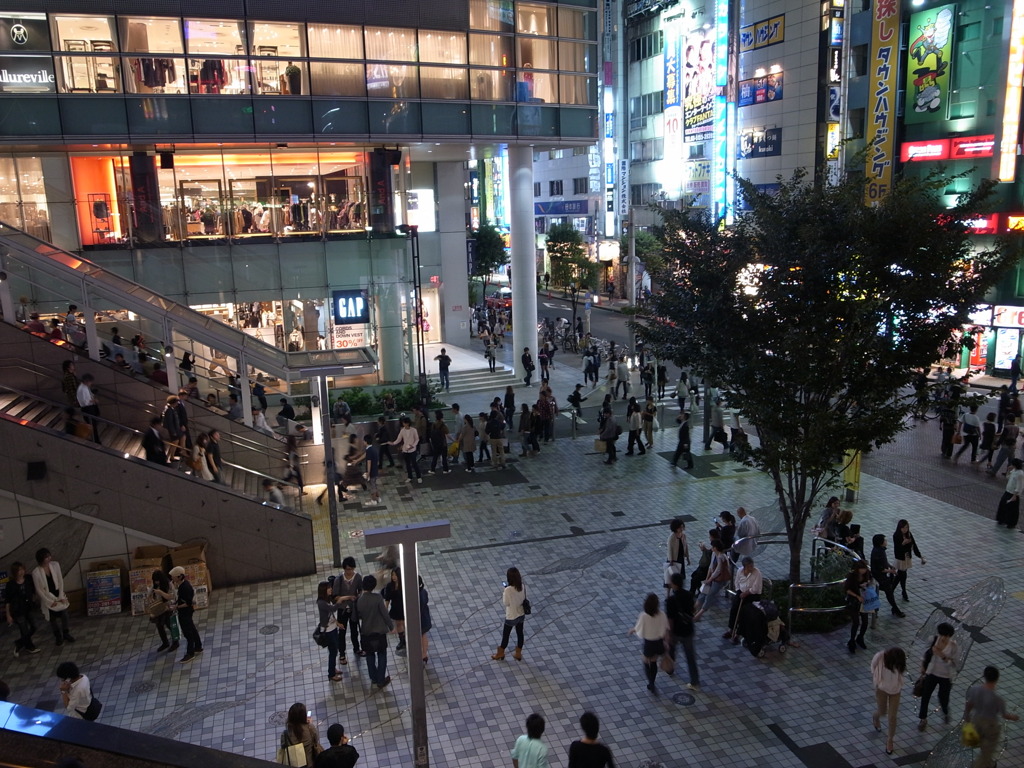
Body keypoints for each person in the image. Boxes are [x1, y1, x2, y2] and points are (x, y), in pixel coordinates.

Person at [964, 666, 1019, 768]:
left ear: (984, 676)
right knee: (987, 752)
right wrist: (1014, 717)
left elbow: (969, 704)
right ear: (997, 679)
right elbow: (1004, 715)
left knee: (980, 745)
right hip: (990, 726)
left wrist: (966, 716)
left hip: (976, 721)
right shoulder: (997, 699)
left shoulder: (974, 690)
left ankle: (990, 764)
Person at [917, 623, 958, 731]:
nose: (944, 638)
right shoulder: (933, 640)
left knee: (943, 698)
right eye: (942, 635)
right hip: (932, 673)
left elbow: (955, 664)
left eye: (947, 636)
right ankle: (923, 719)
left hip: (946, 676)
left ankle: (945, 712)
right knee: (925, 696)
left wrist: (942, 656)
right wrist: (922, 666)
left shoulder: (953, 646)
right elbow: (925, 654)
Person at [356, 574, 395, 689]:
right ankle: (381, 679)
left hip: (366, 632)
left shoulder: (359, 600)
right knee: (382, 654)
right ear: (373, 586)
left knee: (370, 654)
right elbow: (385, 614)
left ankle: (373, 677)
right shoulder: (378, 598)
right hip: (379, 632)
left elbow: (356, 616)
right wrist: (391, 627)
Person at [627, 592, 669, 692]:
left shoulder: (644, 616)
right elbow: (666, 628)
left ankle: (650, 682)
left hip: (648, 643)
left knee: (646, 661)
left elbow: (638, 628)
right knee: (654, 661)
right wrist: (666, 642)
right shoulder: (662, 614)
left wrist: (632, 630)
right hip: (658, 642)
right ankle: (652, 682)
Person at [665, 573, 700, 690]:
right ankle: (694, 681)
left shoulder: (670, 600)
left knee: (672, 650)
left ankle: (670, 669)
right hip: (688, 630)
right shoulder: (689, 595)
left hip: (676, 631)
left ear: (674, 584)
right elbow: (693, 610)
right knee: (690, 656)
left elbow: (670, 619)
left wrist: (668, 634)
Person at [32, 548, 73, 646]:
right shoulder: (36, 572)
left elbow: (60, 580)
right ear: (41, 559)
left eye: (49, 556)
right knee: (52, 618)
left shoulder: (55, 565)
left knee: (64, 614)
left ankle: (66, 633)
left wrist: (61, 595)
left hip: (58, 593)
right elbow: (39, 590)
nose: (48, 558)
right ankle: (58, 636)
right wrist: (49, 602)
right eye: (46, 557)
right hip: (47, 597)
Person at [871, 647, 907, 756]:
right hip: (882, 689)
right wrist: (877, 680)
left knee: (892, 717)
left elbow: (901, 673)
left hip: (896, 691)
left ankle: (890, 740)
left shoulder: (899, 661)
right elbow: (873, 666)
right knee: (882, 712)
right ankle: (876, 717)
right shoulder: (880, 656)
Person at [5, 561, 40, 656]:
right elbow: (7, 601)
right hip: (18, 611)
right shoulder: (10, 584)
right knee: (24, 629)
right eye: (18, 570)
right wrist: (8, 615)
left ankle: (19, 643)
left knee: (34, 626)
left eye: (21, 569)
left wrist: (35, 598)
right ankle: (30, 646)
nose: (20, 572)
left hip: (28, 608)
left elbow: (34, 590)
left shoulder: (28, 579)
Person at [492, 566, 527, 661]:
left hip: (511, 616)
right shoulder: (522, 586)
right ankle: (518, 653)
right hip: (521, 614)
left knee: (506, 635)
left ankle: (500, 653)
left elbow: (506, 603)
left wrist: (505, 592)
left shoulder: (508, 590)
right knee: (520, 633)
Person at [170, 566, 203, 663]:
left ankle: (190, 653)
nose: (172, 578)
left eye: (173, 576)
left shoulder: (185, 587)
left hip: (185, 612)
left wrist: (176, 607)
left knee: (188, 633)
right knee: (192, 628)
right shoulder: (183, 585)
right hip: (187, 612)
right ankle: (198, 646)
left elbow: (188, 603)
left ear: (179, 577)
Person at [726, 556, 762, 643]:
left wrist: (746, 593)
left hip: (752, 595)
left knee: (744, 612)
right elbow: (737, 582)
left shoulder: (757, 573)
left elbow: (756, 588)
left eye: (752, 565)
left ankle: (738, 634)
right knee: (734, 609)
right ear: (745, 566)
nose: (752, 567)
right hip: (741, 592)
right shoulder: (740, 571)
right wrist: (739, 591)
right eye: (749, 566)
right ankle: (731, 629)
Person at [334, 557, 363, 663]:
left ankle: (357, 648)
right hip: (342, 609)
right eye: (347, 569)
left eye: (350, 569)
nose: (348, 571)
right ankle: (342, 653)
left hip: (354, 608)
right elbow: (335, 596)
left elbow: (361, 590)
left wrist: (358, 596)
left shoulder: (358, 577)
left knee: (354, 630)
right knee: (342, 632)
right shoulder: (339, 579)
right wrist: (348, 597)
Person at [870, 533, 905, 618]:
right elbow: (880, 568)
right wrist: (891, 571)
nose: (886, 541)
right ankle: (896, 610)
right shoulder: (879, 552)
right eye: (885, 540)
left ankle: (895, 609)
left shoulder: (879, 550)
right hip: (880, 577)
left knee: (889, 591)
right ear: (881, 542)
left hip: (881, 575)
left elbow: (883, 563)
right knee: (889, 593)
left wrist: (889, 566)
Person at [280, 702, 323, 767]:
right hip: (310, 764)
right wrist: (310, 724)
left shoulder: (285, 734)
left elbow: (283, 747)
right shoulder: (310, 729)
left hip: (294, 764)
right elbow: (316, 739)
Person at [891, 519, 925, 602]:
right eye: (903, 528)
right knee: (902, 574)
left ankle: (895, 590)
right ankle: (901, 591)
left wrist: (920, 556)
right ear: (900, 528)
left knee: (901, 574)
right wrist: (903, 543)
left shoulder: (909, 534)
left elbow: (914, 546)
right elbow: (897, 548)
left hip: (907, 557)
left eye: (906, 527)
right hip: (900, 558)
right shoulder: (896, 535)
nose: (905, 529)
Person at [316, 581, 343, 682]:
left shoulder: (327, 600)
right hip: (328, 631)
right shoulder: (321, 603)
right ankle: (331, 674)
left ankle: (333, 669)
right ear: (324, 590)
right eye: (328, 588)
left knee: (334, 650)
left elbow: (331, 614)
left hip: (333, 628)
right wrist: (339, 601)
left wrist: (337, 623)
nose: (331, 589)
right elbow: (333, 609)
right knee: (333, 652)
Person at [843, 561, 872, 653]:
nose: (863, 571)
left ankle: (860, 638)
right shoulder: (852, 576)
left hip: (863, 599)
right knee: (856, 622)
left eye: (864, 569)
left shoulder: (867, 573)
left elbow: (870, 580)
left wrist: (866, 584)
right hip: (854, 601)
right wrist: (857, 596)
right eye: (862, 569)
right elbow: (847, 590)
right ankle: (851, 641)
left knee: (865, 622)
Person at [149, 569, 177, 653]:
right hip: (159, 608)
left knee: (170, 625)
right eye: (155, 581)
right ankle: (165, 642)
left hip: (168, 607)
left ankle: (175, 642)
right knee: (159, 626)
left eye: (157, 581)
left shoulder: (169, 584)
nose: (156, 582)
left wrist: (160, 592)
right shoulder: (154, 585)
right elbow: (150, 594)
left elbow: (171, 597)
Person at [390, 415, 422, 484]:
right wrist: (393, 443)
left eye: (404, 423)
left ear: (407, 423)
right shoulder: (402, 430)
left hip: (412, 450)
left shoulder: (413, 430)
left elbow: (417, 439)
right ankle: (410, 477)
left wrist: (413, 446)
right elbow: (399, 439)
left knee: (414, 463)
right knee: (407, 464)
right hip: (405, 450)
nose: (403, 424)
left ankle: (419, 477)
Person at [381, 568, 407, 654]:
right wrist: (385, 610)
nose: (394, 577)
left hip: (404, 608)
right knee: (398, 624)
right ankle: (402, 640)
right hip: (395, 608)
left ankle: (407, 639)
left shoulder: (405, 585)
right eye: (392, 575)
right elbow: (387, 599)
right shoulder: (389, 586)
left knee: (404, 624)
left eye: (395, 575)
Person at [995, 457, 1024, 528]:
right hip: (1007, 491)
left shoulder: (1020, 474)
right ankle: (1002, 519)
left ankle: (1010, 523)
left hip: (1013, 494)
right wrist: (1008, 470)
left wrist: (1015, 495)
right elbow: (1008, 477)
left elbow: (1020, 486)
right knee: (1003, 505)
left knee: (1011, 509)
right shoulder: (1014, 470)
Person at [665, 519, 690, 596]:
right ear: (676, 528)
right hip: (673, 559)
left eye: (682, 527)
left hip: (680, 558)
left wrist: (687, 558)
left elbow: (685, 547)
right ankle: (668, 594)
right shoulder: (672, 537)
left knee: (679, 576)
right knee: (670, 577)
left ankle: (677, 591)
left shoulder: (683, 536)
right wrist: (671, 560)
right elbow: (669, 549)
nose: (682, 529)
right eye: (680, 527)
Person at [76, 373, 101, 443]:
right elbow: (85, 402)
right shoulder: (82, 389)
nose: (91, 383)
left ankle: (96, 440)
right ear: (87, 381)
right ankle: (96, 441)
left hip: (90, 407)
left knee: (93, 425)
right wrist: (94, 400)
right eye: (90, 382)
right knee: (92, 426)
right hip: (87, 409)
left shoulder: (85, 387)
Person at [486, 404, 507, 468]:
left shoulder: (489, 422)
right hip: (499, 437)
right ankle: (503, 463)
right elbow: (503, 425)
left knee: (494, 451)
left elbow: (486, 431)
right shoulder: (498, 422)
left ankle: (495, 464)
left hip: (492, 438)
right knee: (501, 451)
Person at [418, 575, 432, 663]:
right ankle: (424, 654)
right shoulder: (423, 592)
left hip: (419, 619)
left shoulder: (416, 595)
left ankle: (421, 654)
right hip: (425, 618)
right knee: (424, 635)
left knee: (420, 636)